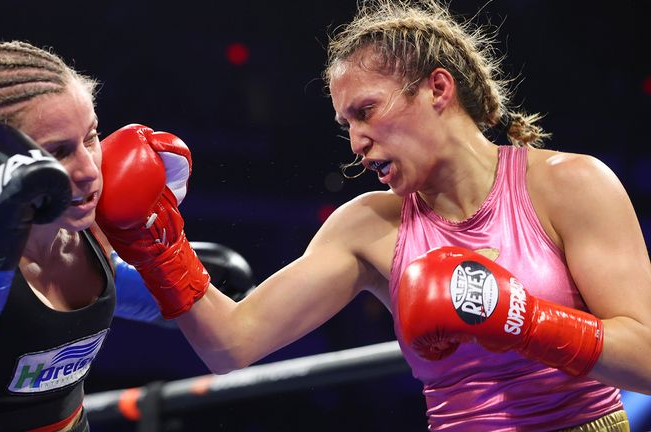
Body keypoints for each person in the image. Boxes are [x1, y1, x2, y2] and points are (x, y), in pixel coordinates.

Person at [94, 1, 651, 431]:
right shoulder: (368, 228)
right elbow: (231, 344)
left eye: (367, 111)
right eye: (346, 125)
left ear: (438, 88)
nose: (357, 142)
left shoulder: (568, 184)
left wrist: (524, 320)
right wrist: (159, 246)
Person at [0, 41, 254, 432]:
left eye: (90, 137)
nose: (89, 170)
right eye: (58, 151)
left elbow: (212, 313)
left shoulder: (93, 218)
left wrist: (173, 263)